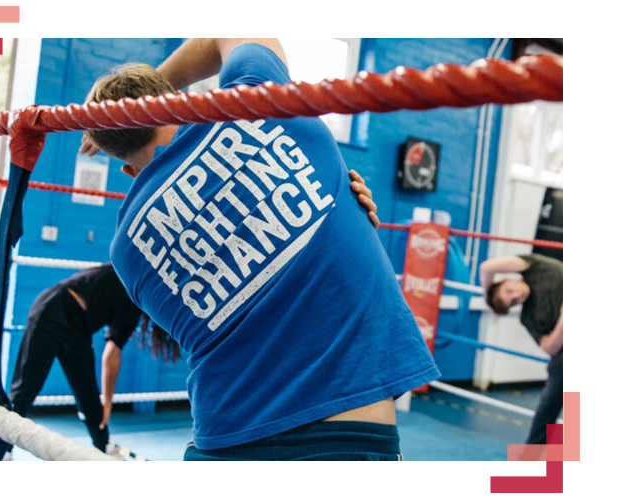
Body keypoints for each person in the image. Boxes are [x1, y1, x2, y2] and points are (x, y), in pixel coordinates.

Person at [80, 38, 439, 461]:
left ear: (126, 170)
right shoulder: (258, 99)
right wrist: (158, 87)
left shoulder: (127, 250)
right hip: (346, 432)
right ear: (176, 99)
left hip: (223, 439)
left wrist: (116, 119)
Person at [4, 263, 179, 458]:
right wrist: (109, 402)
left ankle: (103, 447)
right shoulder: (130, 282)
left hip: (78, 328)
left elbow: (111, 353)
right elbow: (111, 356)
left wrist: (104, 402)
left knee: (89, 398)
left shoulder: (133, 290)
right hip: (53, 309)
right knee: (25, 388)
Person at [480, 254, 562, 445]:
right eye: (513, 302)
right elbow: (550, 347)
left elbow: (486, 267)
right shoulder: (528, 317)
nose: (516, 296)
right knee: (547, 408)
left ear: (508, 278)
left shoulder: (534, 268)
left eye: (509, 291)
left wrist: (488, 297)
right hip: (566, 354)